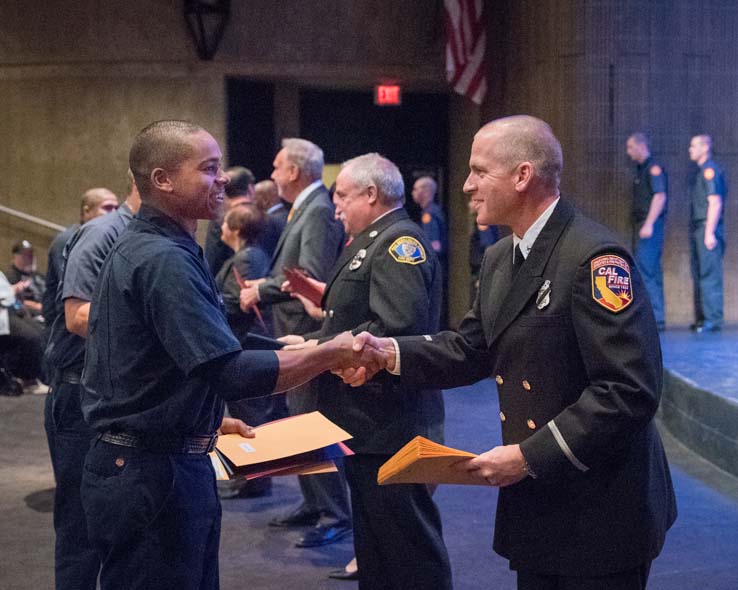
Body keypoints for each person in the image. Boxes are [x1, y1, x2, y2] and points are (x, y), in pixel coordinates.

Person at [343, 116, 677, 590]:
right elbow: (471, 348)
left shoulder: (594, 258)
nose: (466, 185)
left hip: (599, 505)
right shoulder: (502, 258)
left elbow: (628, 390)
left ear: (522, 176)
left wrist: (527, 456)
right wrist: (388, 354)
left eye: (480, 171)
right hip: (539, 501)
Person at [79, 120, 373, 590]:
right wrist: (330, 353)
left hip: (156, 463)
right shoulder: (162, 258)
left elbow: (168, 356)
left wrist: (205, 417)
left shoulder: (168, 247)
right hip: (150, 475)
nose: (223, 180)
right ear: (162, 180)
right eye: (210, 169)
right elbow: (229, 370)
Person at [285, 153, 451, 588]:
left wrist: (320, 347)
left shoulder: (399, 244)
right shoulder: (372, 241)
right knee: (378, 551)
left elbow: (398, 326)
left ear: (371, 194)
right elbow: (354, 315)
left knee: (408, 551)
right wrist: (318, 343)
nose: (334, 205)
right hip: (366, 420)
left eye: (341, 195)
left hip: (392, 420)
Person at [239, 138, 350, 545]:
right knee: (298, 421)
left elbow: (310, 274)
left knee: (312, 424)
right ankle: (314, 502)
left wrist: (262, 290)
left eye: (276, 166)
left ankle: (335, 513)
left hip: (307, 329)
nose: (271, 174)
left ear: (295, 171)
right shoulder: (305, 207)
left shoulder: (318, 209)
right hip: (293, 327)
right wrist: (264, 285)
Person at [42, 174, 139, 590]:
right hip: (80, 392)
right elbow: (73, 317)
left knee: (118, 525)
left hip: (112, 394)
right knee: (81, 529)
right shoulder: (99, 235)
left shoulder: (141, 235)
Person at [214, 204, 274, 498]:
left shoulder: (248, 257)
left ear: (235, 229)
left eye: (225, 222)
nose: (220, 226)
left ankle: (255, 480)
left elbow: (240, 301)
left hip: (246, 342)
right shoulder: (244, 256)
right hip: (241, 341)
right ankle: (249, 477)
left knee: (249, 413)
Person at [42, 187, 119, 330]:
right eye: (107, 208)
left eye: (117, 208)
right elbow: (75, 288)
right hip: (63, 327)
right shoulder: (67, 239)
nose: (114, 213)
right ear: (87, 211)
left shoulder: (102, 237)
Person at [626, 132, 667, 330]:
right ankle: (657, 317)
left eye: (630, 147)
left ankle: (654, 317)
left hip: (650, 224)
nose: (629, 152)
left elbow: (659, 196)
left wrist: (649, 223)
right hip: (643, 224)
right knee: (651, 270)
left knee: (646, 269)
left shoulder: (653, 169)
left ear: (641, 146)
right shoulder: (640, 169)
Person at [687, 134, 727, 332]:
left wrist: (709, 232)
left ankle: (714, 319)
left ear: (705, 148)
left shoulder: (710, 170)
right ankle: (704, 318)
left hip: (707, 227)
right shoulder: (701, 171)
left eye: (693, 146)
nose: (690, 150)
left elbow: (715, 202)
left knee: (710, 275)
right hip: (700, 228)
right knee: (701, 274)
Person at [204, 166, 256, 276]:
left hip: (229, 285)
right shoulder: (267, 218)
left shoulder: (218, 221)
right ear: (250, 189)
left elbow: (213, 260)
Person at [0, 270, 44, 394]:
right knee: (32, 337)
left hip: (10, 310)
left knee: (41, 332)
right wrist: (12, 291)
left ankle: (38, 376)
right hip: (2, 314)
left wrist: (13, 289)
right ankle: (29, 380)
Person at [468, 195, 499, 305]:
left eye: (472, 201)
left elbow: (488, 248)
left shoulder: (483, 223)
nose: (469, 205)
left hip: (481, 274)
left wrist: (481, 276)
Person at [7, 240, 47, 318]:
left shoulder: (39, 276)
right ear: (15, 256)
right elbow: (11, 300)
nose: (30, 257)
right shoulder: (10, 277)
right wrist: (38, 306)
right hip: (28, 318)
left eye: (31, 254)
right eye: (25, 255)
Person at [253, 178, 288, 260]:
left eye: (254, 198)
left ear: (265, 199)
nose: (252, 203)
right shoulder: (290, 215)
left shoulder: (266, 223)